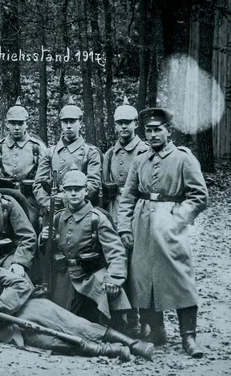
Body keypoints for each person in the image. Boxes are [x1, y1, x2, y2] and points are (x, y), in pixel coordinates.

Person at [0, 238, 154, 361]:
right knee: (52, 340)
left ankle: (134, 344)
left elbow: (21, 284)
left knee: (76, 324)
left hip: (27, 307)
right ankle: (110, 351)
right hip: (4, 326)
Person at [118, 108, 208, 358]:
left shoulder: (183, 158)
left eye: (158, 129)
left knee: (180, 277)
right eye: (149, 130)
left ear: (169, 131)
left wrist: (177, 219)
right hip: (143, 224)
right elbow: (128, 197)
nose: (153, 134)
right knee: (143, 278)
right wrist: (124, 226)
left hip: (171, 225)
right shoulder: (139, 159)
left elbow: (199, 197)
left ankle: (188, 337)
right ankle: (156, 330)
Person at [40, 170, 130, 327]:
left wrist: (115, 278)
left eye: (78, 189)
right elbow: (48, 251)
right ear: (63, 192)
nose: (73, 194)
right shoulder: (58, 217)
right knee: (58, 321)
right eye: (69, 189)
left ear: (86, 191)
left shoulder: (97, 218)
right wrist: (43, 238)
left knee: (98, 317)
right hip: (64, 277)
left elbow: (116, 252)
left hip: (90, 276)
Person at [102, 97, 149, 336]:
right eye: (119, 123)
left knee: (137, 267)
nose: (123, 127)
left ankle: (141, 319)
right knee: (116, 260)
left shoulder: (145, 150)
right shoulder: (111, 153)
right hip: (113, 210)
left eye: (128, 123)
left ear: (136, 124)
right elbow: (104, 183)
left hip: (138, 211)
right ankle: (121, 317)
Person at [33, 97, 102, 213]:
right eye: (65, 122)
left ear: (80, 123)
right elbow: (38, 183)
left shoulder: (90, 152)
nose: (68, 126)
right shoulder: (50, 152)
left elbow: (93, 184)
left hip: (80, 209)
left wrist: (66, 198)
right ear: (61, 124)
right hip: (52, 209)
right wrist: (46, 202)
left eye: (72, 121)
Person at [0, 98, 47, 230]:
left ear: (27, 124)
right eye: (13, 123)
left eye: (20, 123)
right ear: (7, 124)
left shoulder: (37, 148)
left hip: (30, 200)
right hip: (4, 197)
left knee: (30, 226)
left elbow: (44, 179)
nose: (17, 127)